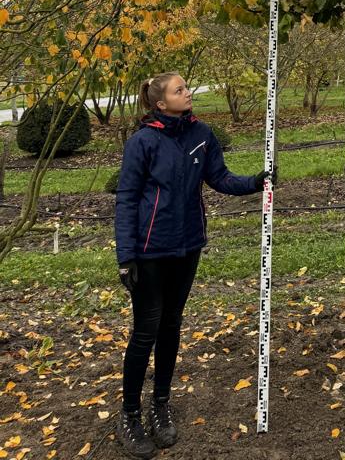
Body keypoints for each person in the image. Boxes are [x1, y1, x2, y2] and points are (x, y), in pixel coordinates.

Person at [113, 72, 276, 458]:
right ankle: (130, 414)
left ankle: (160, 405)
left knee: (171, 325)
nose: (188, 93)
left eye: (186, 88)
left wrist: (257, 181)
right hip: (150, 252)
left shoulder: (201, 133)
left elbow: (218, 177)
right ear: (160, 103)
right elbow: (126, 199)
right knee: (146, 329)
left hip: (188, 246)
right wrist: (126, 256)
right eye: (180, 90)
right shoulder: (142, 142)